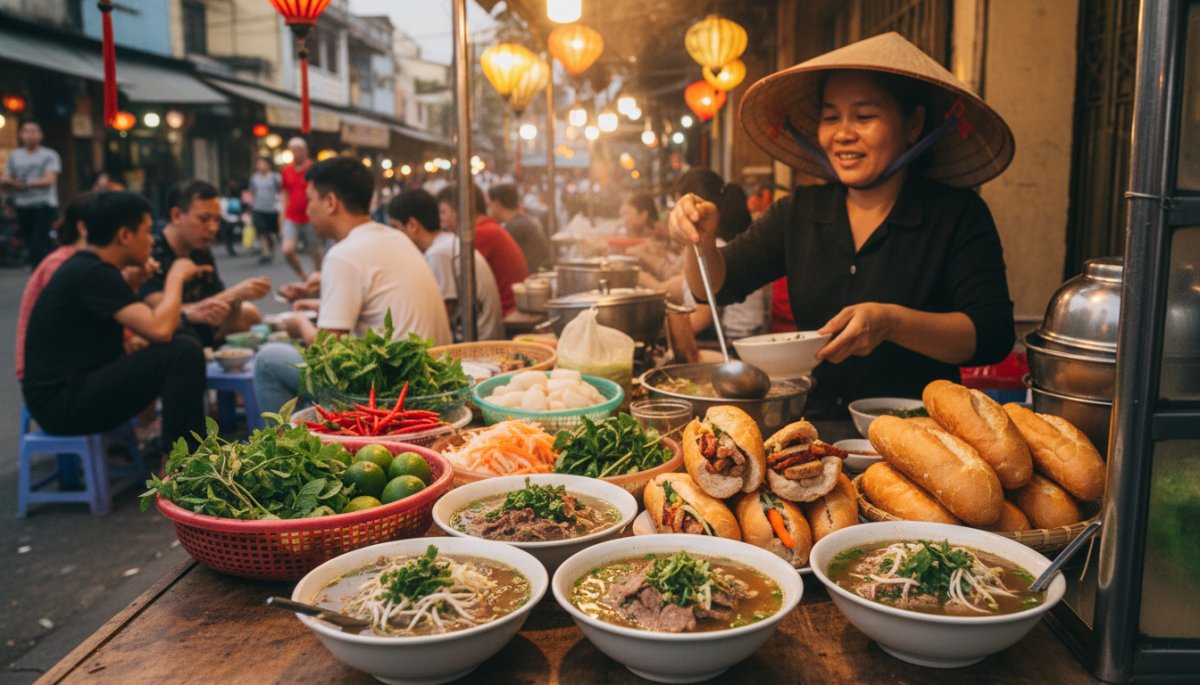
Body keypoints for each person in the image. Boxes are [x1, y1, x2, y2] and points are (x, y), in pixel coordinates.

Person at [668, 32, 1016, 418]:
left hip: (923, 434)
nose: (843, 133)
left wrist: (893, 322)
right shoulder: (799, 211)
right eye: (831, 117)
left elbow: (991, 334)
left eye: (865, 116)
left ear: (913, 123)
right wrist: (698, 239)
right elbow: (714, 288)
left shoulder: (957, 214)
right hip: (813, 428)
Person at [254, 157, 452, 412]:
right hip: (432, 379)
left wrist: (300, 324)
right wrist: (318, 304)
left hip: (390, 396)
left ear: (330, 202)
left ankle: (280, 447)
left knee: (268, 360)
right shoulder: (395, 238)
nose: (306, 210)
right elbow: (377, 302)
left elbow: (328, 350)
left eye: (310, 200)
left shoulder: (342, 254)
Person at [21, 191, 207, 449]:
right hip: (61, 405)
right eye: (147, 231)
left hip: (74, 393)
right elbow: (160, 329)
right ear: (124, 235)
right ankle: (179, 471)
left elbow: (152, 328)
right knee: (182, 352)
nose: (152, 240)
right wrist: (175, 277)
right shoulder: (91, 272)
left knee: (185, 339)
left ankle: (182, 460)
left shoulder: (94, 269)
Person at [139, 180, 270, 347]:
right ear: (176, 216)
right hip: (170, 341)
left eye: (216, 220)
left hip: (205, 333)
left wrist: (236, 301)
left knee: (249, 313)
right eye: (204, 219)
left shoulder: (200, 249)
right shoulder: (152, 252)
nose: (213, 228)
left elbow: (220, 310)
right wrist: (234, 294)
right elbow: (160, 314)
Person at [389, 189, 505, 340]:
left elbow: (441, 314)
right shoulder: (446, 242)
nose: (394, 235)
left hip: (478, 343)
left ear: (412, 225)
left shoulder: (438, 254)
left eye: (396, 227)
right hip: (486, 335)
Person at [674, 169, 768, 340]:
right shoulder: (721, 242)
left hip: (736, 341)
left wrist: (662, 330)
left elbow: (702, 318)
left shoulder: (712, 247)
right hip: (748, 335)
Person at [435, 185, 528, 315]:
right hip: (511, 308)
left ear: (459, 209)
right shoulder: (488, 228)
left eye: (443, 212)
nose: (441, 219)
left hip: (506, 312)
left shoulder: (481, 234)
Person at [1, 120, 60, 267]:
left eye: (34, 131)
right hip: (23, 204)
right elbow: (7, 177)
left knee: (38, 242)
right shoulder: (15, 155)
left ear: (40, 135)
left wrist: (24, 184)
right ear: (21, 135)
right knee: (28, 241)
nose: (30, 135)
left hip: (44, 204)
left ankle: (42, 271)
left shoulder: (49, 155)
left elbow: (49, 180)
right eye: (27, 131)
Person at [279, 138, 322, 279]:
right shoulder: (286, 171)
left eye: (298, 149)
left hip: (310, 216)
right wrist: (282, 218)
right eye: (293, 150)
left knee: (315, 251)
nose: (295, 153)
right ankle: (304, 276)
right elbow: (284, 195)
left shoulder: (313, 168)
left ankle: (318, 278)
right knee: (287, 250)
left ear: (305, 151)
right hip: (292, 216)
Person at [486, 183, 551, 272]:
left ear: (497, 205)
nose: (488, 210)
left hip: (534, 279)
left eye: (489, 205)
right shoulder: (521, 222)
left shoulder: (515, 228)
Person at [248, 157, 282, 264]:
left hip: (272, 209)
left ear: (269, 165)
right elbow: (252, 192)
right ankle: (265, 253)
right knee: (261, 231)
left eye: (263, 163)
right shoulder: (254, 178)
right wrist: (250, 206)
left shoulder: (276, 178)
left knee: (271, 233)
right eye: (259, 164)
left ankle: (271, 250)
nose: (261, 166)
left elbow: (281, 192)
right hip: (258, 208)